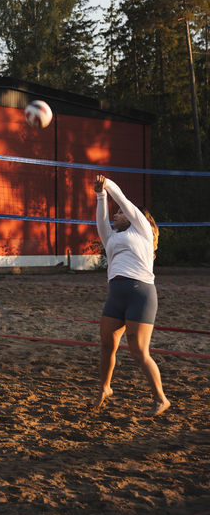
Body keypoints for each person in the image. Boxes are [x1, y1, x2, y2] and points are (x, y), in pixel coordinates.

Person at [93, 175, 169, 416]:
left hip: (141, 295)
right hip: (116, 296)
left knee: (138, 351)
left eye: (119, 214)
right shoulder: (112, 238)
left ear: (134, 217)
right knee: (107, 344)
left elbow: (124, 201)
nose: (115, 215)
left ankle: (161, 398)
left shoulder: (142, 231)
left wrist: (107, 184)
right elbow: (101, 222)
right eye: (115, 213)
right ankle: (105, 388)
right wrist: (100, 195)